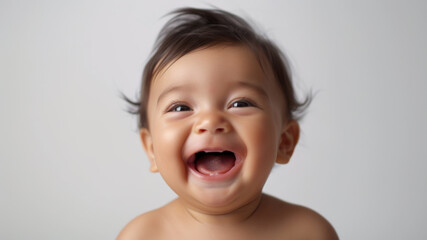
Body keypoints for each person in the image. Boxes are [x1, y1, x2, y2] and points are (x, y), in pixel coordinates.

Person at [117, 7, 338, 240]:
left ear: (284, 141)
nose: (210, 121)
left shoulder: (309, 232)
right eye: (181, 108)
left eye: (240, 104)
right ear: (151, 149)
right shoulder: (142, 235)